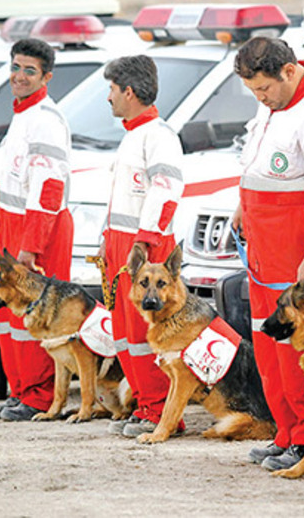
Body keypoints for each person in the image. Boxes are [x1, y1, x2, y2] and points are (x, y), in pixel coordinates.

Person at [231, 36, 304, 471]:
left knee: (296, 350)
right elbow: (257, 162)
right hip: (262, 246)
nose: (260, 98)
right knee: (266, 344)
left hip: (293, 247)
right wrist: (243, 204)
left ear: (290, 72)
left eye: (264, 89)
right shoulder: (272, 105)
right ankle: (285, 431)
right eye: (254, 91)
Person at [0, 38, 73, 421]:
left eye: (29, 70)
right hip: (12, 225)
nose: (19, 76)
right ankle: (19, 390)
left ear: (46, 77)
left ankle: (38, 396)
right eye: (15, 67)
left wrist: (30, 246)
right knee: (8, 312)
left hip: (40, 228)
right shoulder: (22, 115)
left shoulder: (46, 121)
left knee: (37, 315)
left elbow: (48, 189)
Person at [102, 55, 185, 438]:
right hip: (124, 246)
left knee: (145, 334)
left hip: (144, 247)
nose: (109, 98)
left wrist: (145, 243)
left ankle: (161, 412)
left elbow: (167, 191)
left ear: (129, 91)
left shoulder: (159, 135)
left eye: (113, 90)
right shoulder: (133, 134)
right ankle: (145, 405)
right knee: (124, 333)